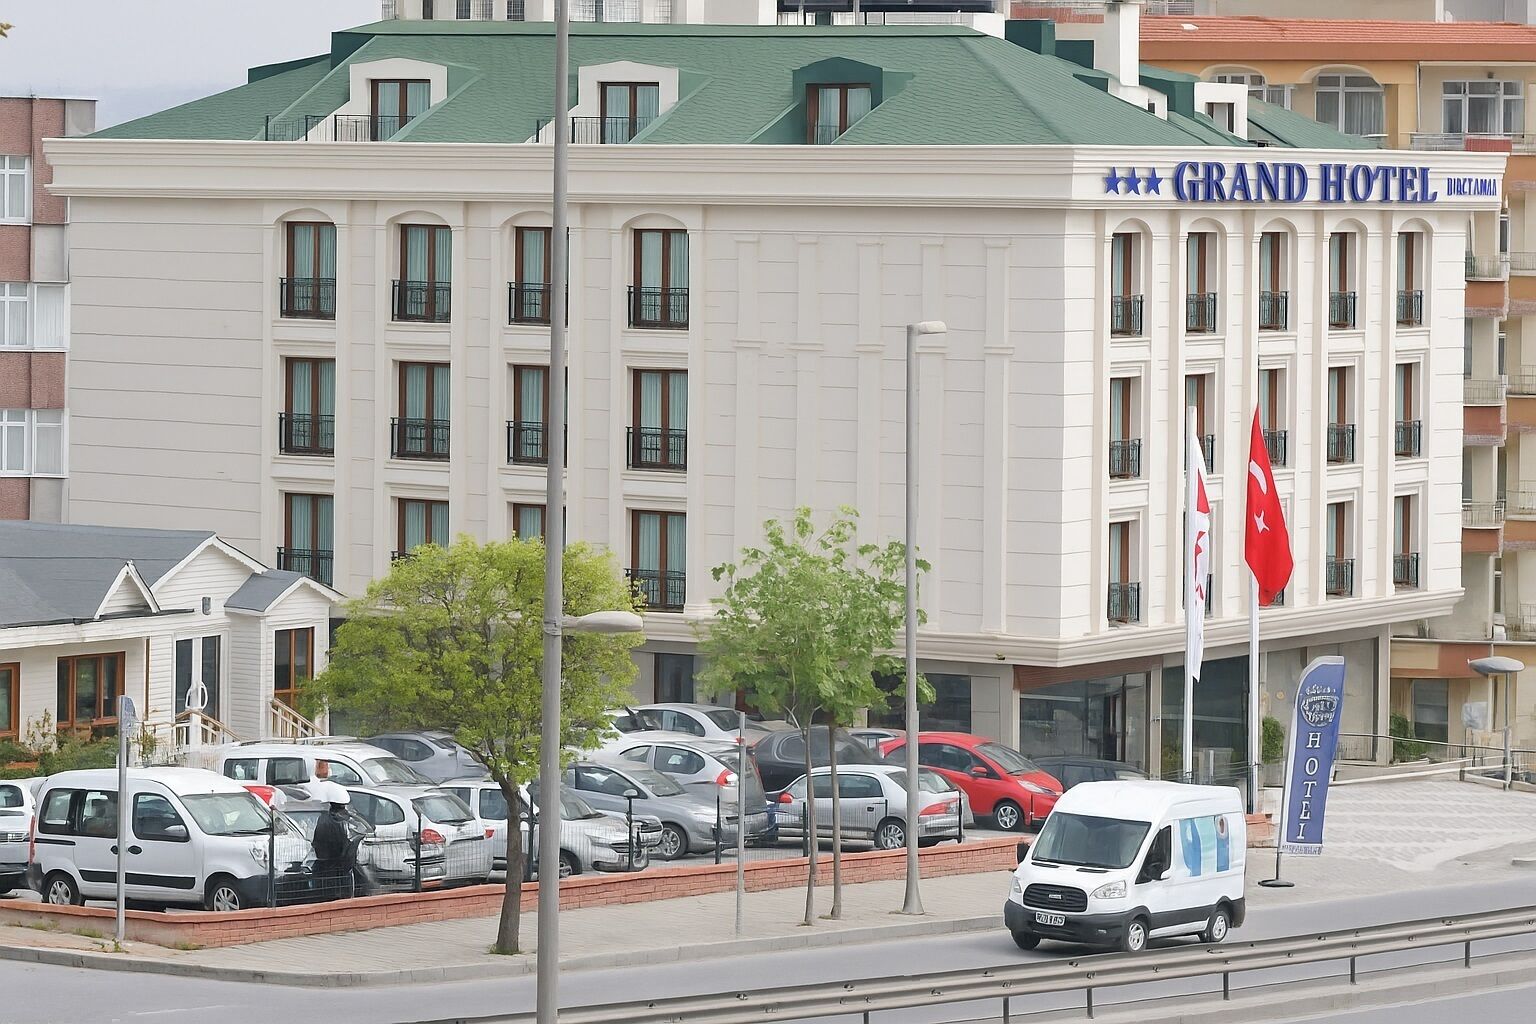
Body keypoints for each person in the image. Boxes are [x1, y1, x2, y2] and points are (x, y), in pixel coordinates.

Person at [309, 780, 358, 899]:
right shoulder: (338, 821)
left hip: (329, 866)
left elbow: (317, 843)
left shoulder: (328, 819)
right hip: (335, 867)